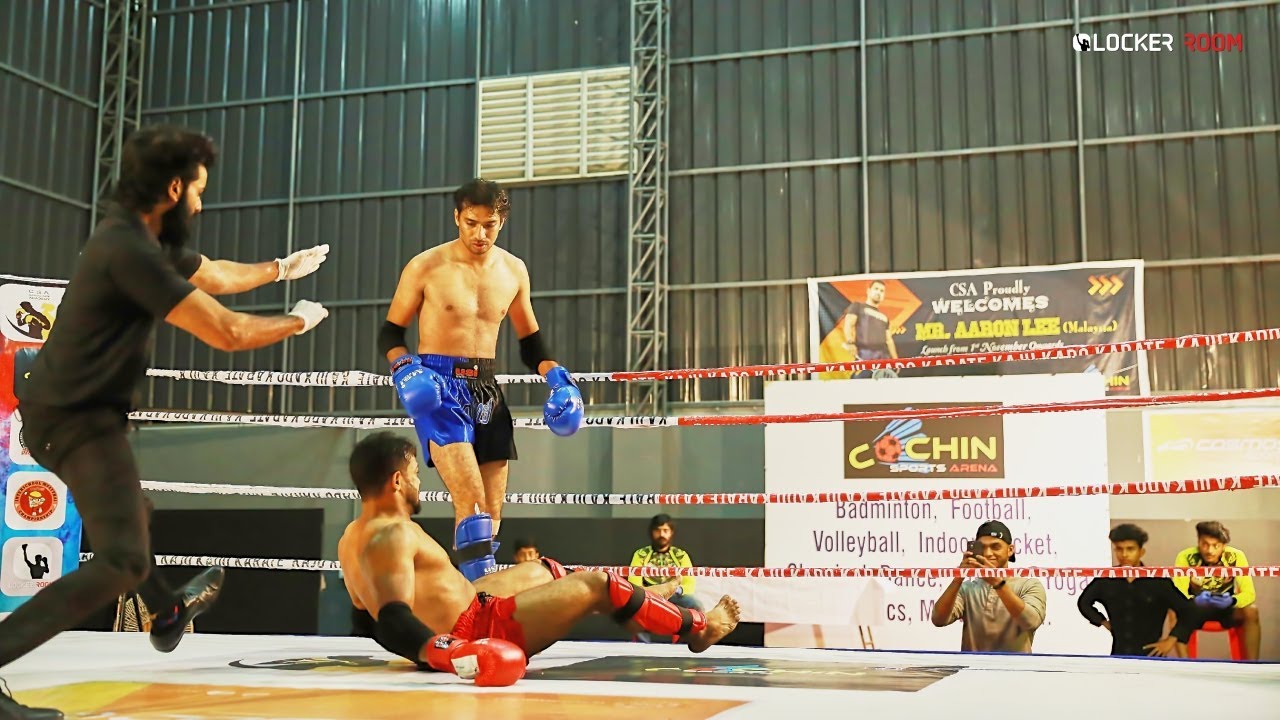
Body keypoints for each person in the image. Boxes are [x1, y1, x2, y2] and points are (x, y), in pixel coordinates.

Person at [0, 125, 332, 720]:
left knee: (133, 518)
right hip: (74, 421)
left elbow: (219, 275)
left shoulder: (143, 239)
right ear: (174, 188)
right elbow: (227, 330)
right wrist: (298, 322)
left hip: (73, 416)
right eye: (198, 190)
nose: (201, 205)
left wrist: (282, 268)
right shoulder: (129, 252)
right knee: (123, 559)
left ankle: (168, 611)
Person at [337, 432, 740, 686]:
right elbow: (391, 617)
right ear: (397, 481)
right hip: (473, 633)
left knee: (544, 570)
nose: (419, 482)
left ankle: (644, 602)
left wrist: (426, 648)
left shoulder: (351, 536)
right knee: (596, 585)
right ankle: (697, 626)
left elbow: (364, 620)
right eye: (414, 474)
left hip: (470, 608)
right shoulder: (391, 535)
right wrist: (450, 652)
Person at [378, 178, 584, 582]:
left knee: (490, 513)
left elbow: (531, 344)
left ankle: (476, 597)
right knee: (471, 503)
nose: (480, 234)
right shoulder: (426, 266)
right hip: (438, 387)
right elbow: (390, 333)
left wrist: (559, 379)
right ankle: (477, 606)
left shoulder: (513, 270)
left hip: (487, 388)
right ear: (457, 217)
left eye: (489, 225)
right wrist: (404, 367)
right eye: (471, 223)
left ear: (501, 222)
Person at [1077, 523, 1198, 658]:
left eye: (1130, 549)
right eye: (1119, 549)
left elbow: (1189, 610)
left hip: (1151, 656)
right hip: (1119, 655)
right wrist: (1103, 622)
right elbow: (1084, 603)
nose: (1124, 554)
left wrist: (1171, 640)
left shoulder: (1158, 581)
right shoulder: (1106, 579)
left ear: (1141, 552)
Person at [930, 521, 1047, 653]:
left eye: (995, 547)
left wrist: (998, 584)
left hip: (1016, 666)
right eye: (982, 547)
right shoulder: (967, 588)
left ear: (1010, 550)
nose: (988, 553)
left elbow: (1031, 621)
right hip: (973, 666)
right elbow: (938, 620)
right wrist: (958, 577)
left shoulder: (1029, 585)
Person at [1172, 521, 1261, 660]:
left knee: (1252, 611)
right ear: (1198, 541)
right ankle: (1184, 663)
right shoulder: (1186, 557)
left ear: (1224, 545)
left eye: (1216, 545)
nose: (1210, 551)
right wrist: (1194, 600)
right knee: (1173, 611)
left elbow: (1249, 594)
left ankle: (1252, 665)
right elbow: (1177, 595)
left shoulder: (1236, 556)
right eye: (1205, 544)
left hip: (1226, 608)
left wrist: (1232, 600)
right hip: (1195, 610)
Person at [628, 514, 702, 642]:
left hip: (675, 596)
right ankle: (642, 646)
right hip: (649, 595)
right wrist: (655, 592)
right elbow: (633, 584)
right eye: (658, 530)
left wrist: (673, 590)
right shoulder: (640, 554)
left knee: (695, 605)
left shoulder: (680, 555)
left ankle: (688, 643)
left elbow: (689, 584)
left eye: (665, 530)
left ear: (671, 532)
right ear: (652, 532)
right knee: (633, 604)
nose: (661, 534)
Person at [841, 279, 897, 378]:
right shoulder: (857, 306)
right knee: (860, 385)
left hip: (884, 359)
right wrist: (850, 342)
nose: (878, 292)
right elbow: (848, 325)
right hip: (864, 356)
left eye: (882, 291)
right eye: (876, 289)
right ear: (868, 291)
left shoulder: (884, 317)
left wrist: (896, 360)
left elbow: (889, 340)